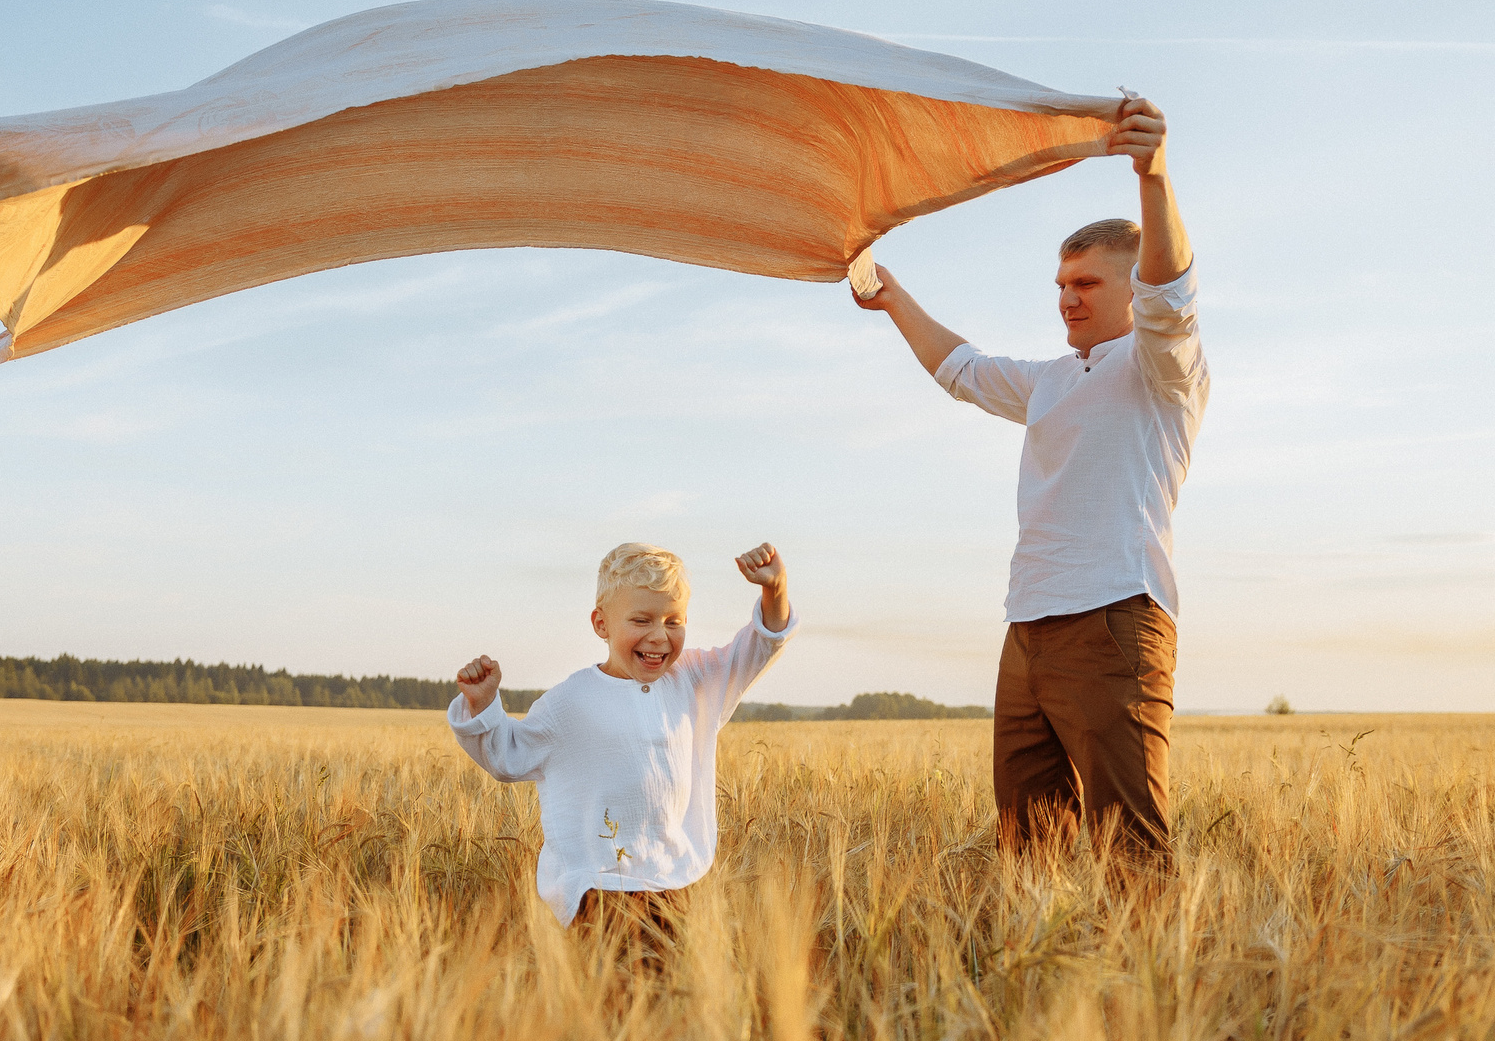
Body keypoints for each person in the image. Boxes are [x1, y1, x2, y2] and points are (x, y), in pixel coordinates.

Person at [853, 100, 1205, 870]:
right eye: (1059, 283)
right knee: (1029, 841)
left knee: (1130, 849)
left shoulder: (1161, 370)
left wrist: (1154, 174)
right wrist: (891, 297)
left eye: (1085, 282)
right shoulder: (1049, 379)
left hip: (1115, 619)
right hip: (1029, 626)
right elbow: (964, 371)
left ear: (1128, 289)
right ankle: (1052, 985)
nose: (1066, 297)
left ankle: (1149, 989)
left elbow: (1170, 297)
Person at [448, 542, 795, 932]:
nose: (659, 637)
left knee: (678, 989)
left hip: (677, 882)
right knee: (611, 988)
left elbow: (761, 644)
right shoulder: (570, 701)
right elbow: (506, 756)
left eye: (674, 621)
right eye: (642, 620)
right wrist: (484, 705)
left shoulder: (697, 680)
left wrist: (775, 588)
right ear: (601, 624)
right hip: (599, 888)